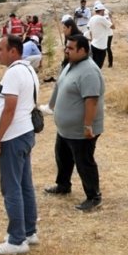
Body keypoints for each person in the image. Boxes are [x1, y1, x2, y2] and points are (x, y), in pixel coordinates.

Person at [0, 35, 42, 255]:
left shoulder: (13, 72)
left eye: (0, 49)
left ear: (13, 51)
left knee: (12, 188)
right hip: (24, 133)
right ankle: (29, 231)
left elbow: (9, 109)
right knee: (24, 185)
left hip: (12, 137)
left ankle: (17, 240)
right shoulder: (28, 70)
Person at [44, 35, 105, 211]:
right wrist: (50, 107)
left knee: (84, 162)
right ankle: (63, 185)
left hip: (81, 130)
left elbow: (91, 101)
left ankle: (93, 197)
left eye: (71, 48)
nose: (66, 50)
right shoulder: (70, 65)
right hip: (65, 129)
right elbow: (59, 87)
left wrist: (87, 126)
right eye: (66, 47)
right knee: (62, 156)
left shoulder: (89, 71)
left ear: (83, 50)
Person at [87, 2, 112, 69]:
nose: (104, 12)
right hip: (101, 46)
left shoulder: (92, 18)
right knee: (98, 67)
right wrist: (110, 18)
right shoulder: (101, 18)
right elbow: (113, 26)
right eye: (103, 10)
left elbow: (89, 28)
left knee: (93, 65)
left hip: (93, 44)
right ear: (101, 10)